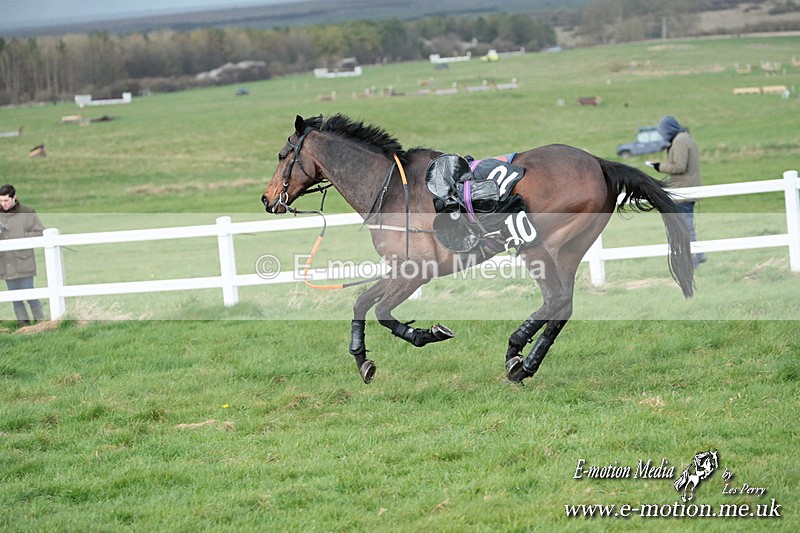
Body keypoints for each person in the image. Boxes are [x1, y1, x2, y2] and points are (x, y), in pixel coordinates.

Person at [649, 115, 706, 267]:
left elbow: (679, 166)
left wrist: (658, 166)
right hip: (686, 188)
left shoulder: (680, 140)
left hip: (684, 190)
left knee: (686, 226)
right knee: (687, 225)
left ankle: (695, 257)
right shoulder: (685, 138)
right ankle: (698, 254)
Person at [0, 184, 46, 326]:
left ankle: (41, 324)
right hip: (6, 263)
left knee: (30, 294)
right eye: (0, 201)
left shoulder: (27, 212)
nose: (3, 204)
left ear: (14, 198)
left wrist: (20, 236)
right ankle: (23, 326)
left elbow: (40, 233)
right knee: (15, 297)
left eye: (6, 201)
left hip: (24, 262)